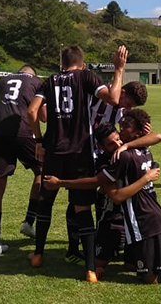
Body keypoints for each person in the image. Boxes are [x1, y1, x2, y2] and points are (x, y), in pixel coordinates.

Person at [45, 111, 161, 284]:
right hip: (139, 218)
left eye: (120, 136)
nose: (118, 142)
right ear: (101, 146)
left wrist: (60, 182)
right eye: (112, 143)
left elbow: (114, 194)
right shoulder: (138, 150)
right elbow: (98, 181)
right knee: (131, 264)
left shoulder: (123, 157)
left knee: (151, 277)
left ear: (136, 134)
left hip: (141, 219)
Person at [26, 45, 127, 282]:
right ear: (82, 64)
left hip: (55, 152)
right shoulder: (86, 76)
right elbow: (113, 98)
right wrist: (119, 69)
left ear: (61, 64)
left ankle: (38, 255)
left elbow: (32, 112)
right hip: (81, 153)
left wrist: (39, 140)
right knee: (83, 209)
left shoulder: (49, 81)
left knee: (46, 203)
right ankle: (91, 269)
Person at [63, 80, 149, 266]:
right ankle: (72, 247)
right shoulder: (99, 95)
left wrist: (130, 141)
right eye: (127, 104)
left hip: (105, 157)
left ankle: (102, 241)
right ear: (122, 92)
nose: (127, 108)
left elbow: (152, 135)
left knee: (103, 202)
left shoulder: (124, 113)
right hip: (82, 154)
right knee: (79, 203)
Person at [0, 65, 45, 257]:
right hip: (22, 129)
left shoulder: (2, 80)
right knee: (42, 171)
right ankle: (29, 221)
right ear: (32, 74)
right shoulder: (36, 82)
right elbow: (42, 116)